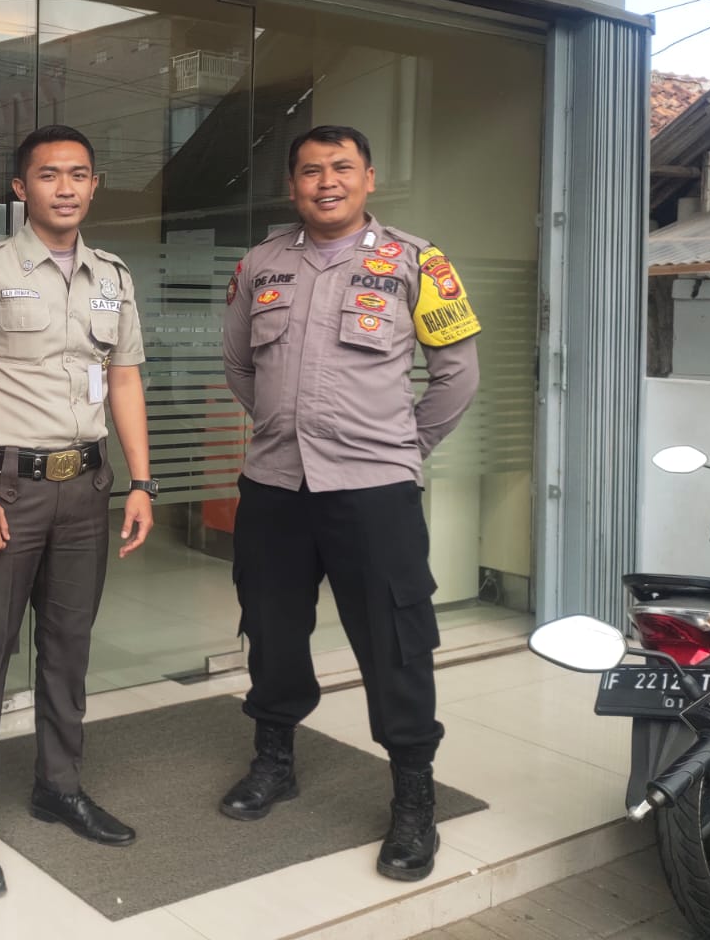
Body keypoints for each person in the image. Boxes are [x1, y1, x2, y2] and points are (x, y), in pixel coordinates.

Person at [219, 124, 480, 883]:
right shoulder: (261, 262)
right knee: (271, 628)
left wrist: (401, 447)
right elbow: (238, 364)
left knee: (395, 642)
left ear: (369, 178)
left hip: (374, 491)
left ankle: (413, 799)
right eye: (310, 171)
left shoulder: (418, 262)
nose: (325, 181)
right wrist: (285, 427)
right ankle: (274, 760)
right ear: (291, 185)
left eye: (341, 167)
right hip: (275, 484)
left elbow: (456, 375)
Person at [0, 123, 156, 899]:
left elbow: (123, 379)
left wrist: (141, 482)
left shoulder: (113, 275)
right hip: (9, 488)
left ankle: (58, 785)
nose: (66, 187)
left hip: (85, 488)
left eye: (78, 174)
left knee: (69, 645)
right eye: (49, 174)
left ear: (95, 185)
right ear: (20, 188)